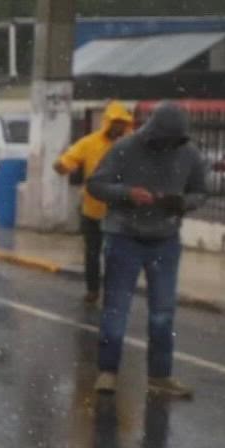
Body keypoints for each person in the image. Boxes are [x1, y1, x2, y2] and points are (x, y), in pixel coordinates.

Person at [86, 100, 208, 399]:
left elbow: (200, 191)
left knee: (163, 313)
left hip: (165, 239)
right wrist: (128, 194)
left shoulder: (189, 154)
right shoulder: (125, 148)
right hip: (124, 236)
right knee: (116, 309)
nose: (167, 146)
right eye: (162, 140)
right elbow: (96, 185)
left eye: (173, 141)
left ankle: (160, 376)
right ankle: (108, 372)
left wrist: (182, 202)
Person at [53, 101, 136, 304]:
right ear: (107, 122)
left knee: (115, 255)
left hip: (118, 211)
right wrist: (62, 166)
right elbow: (69, 160)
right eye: (115, 122)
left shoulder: (131, 145)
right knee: (92, 253)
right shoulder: (90, 143)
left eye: (122, 123)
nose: (118, 127)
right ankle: (93, 289)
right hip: (92, 209)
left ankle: (113, 291)